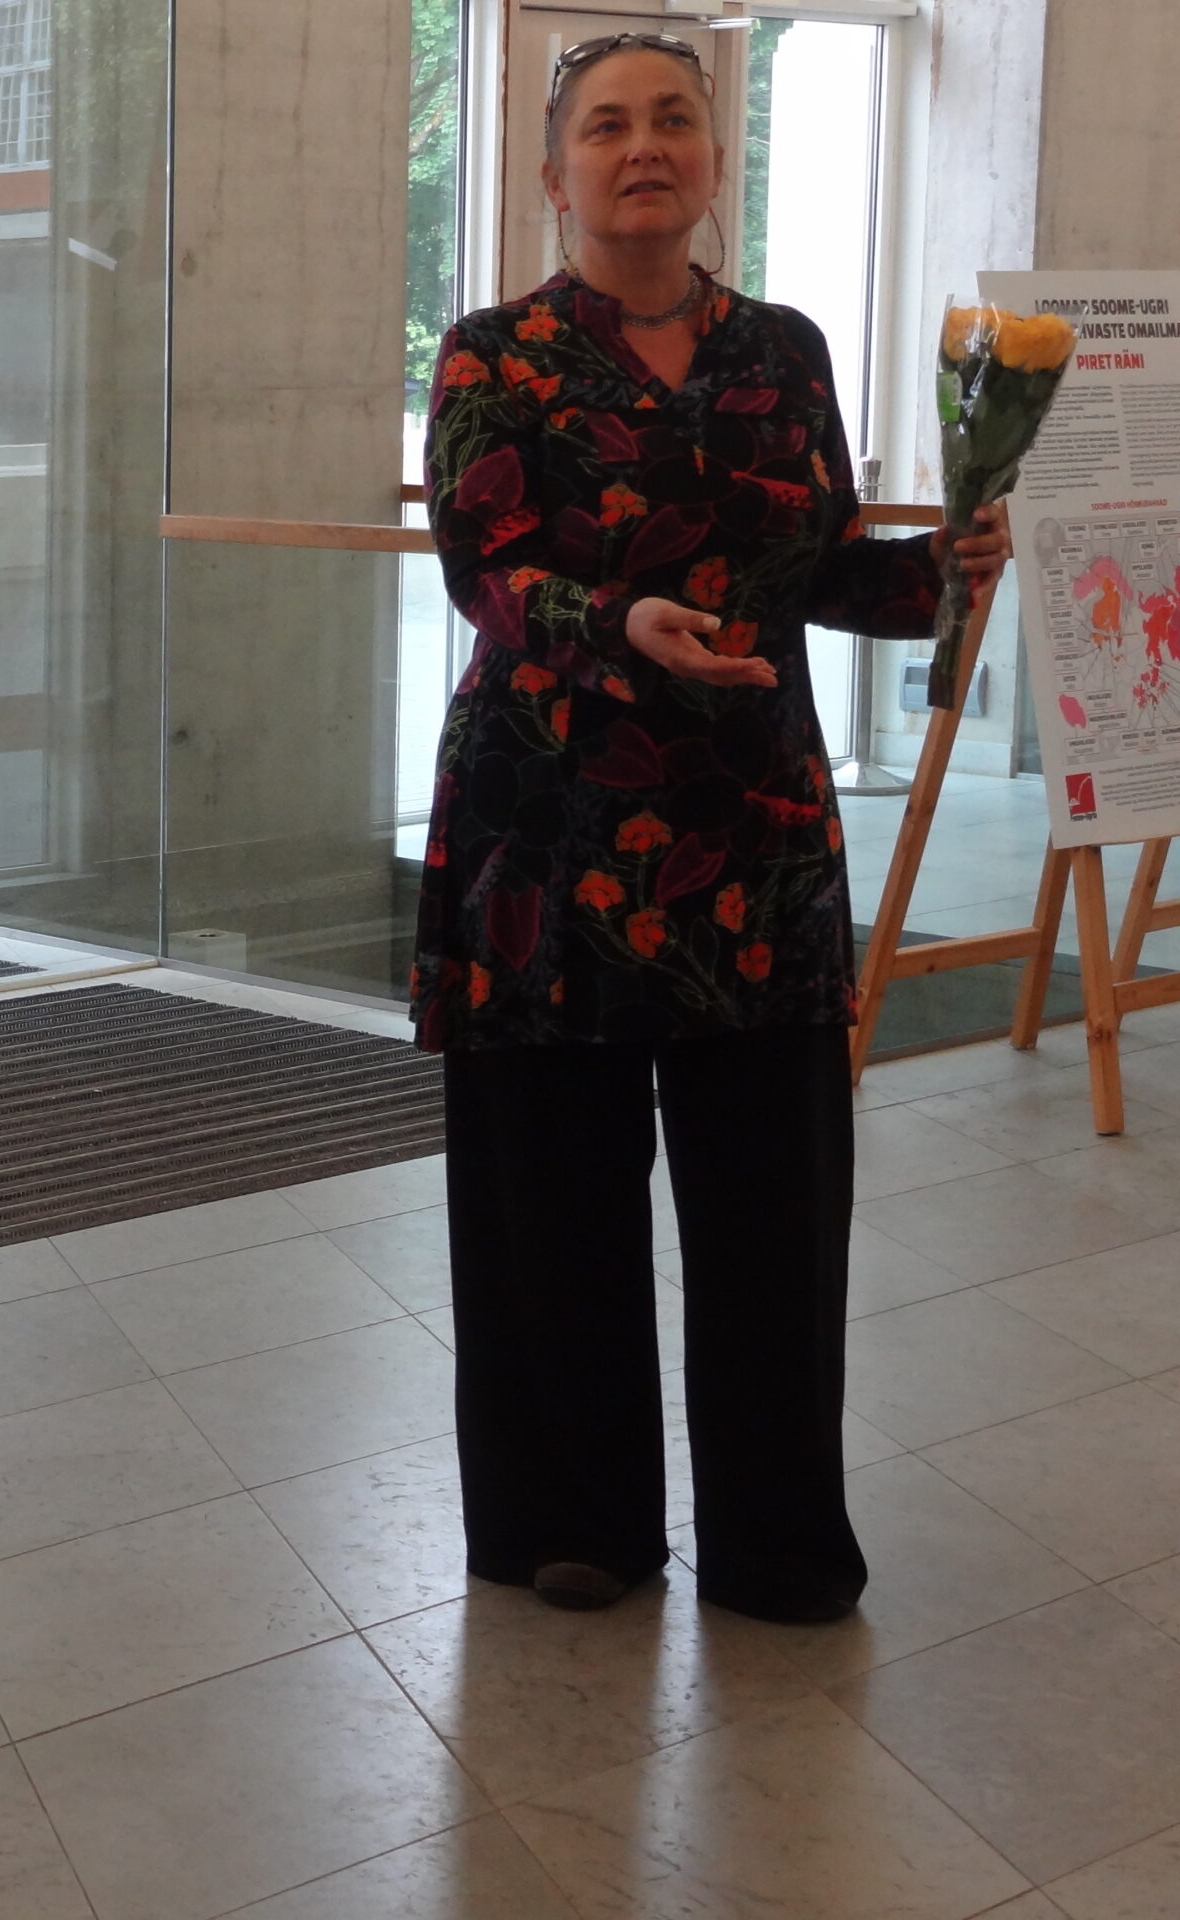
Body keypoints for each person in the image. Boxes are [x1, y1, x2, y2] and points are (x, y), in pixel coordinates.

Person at [410, 32, 1009, 1623]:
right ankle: (576, 1522)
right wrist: (621, 623)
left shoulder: (783, 351)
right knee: (553, 1204)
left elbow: (815, 565)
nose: (644, 146)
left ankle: (777, 1540)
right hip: (549, 831)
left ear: (714, 157)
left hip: (754, 831)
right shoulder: (493, 355)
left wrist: (943, 574)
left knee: (774, 1208)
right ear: (556, 173)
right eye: (607, 125)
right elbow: (486, 572)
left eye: (674, 118)